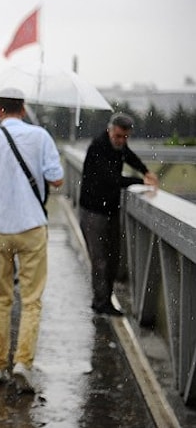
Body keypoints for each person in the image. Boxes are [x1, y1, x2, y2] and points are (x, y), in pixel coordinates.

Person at [0, 88, 64, 393]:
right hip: (32, 225)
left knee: (0, 298)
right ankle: (23, 363)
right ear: (22, 109)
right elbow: (57, 178)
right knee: (32, 300)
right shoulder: (41, 136)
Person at [79, 113, 159, 317]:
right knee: (100, 260)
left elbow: (129, 156)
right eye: (118, 136)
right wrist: (141, 182)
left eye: (125, 137)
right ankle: (101, 303)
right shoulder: (98, 147)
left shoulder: (118, 146)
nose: (121, 141)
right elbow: (111, 179)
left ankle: (105, 299)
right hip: (93, 211)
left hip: (110, 209)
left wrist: (145, 171)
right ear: (110, 130)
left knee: (113, 257)